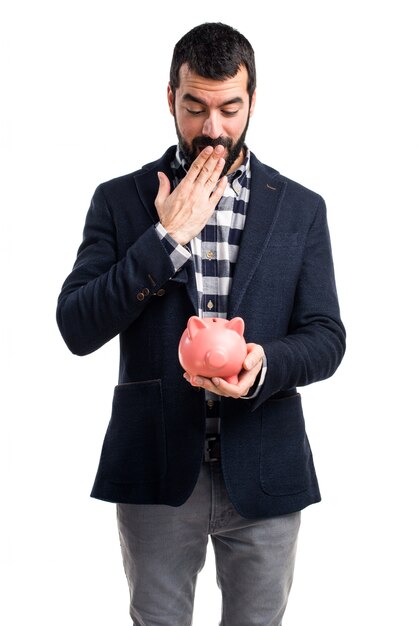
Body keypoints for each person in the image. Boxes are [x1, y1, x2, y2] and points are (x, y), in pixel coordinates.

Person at [57, 22, 345, 626]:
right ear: (170, 98)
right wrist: (165, 240)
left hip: (265, 467)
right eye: (195, 107)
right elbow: (76, 326)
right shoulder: (119, 200)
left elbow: (325, 336)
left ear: (252, 101)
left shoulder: (301, 208)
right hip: (157, 470)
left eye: (229, 108)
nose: (213, 128)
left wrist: (264, 364)